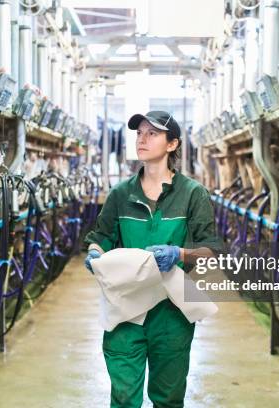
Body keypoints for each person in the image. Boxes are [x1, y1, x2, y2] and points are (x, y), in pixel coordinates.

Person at [84, 110, 221, 407]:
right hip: (126, 307)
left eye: (152, 133)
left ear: (172, 144)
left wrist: (180, 254)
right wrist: (95, 253)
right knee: (123, 396)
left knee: (168, 397)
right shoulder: (120, 194)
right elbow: (101, 236)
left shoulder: (192, 194)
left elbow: (211, 250)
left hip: (172, 312)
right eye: (139, 133)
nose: (142, 139)